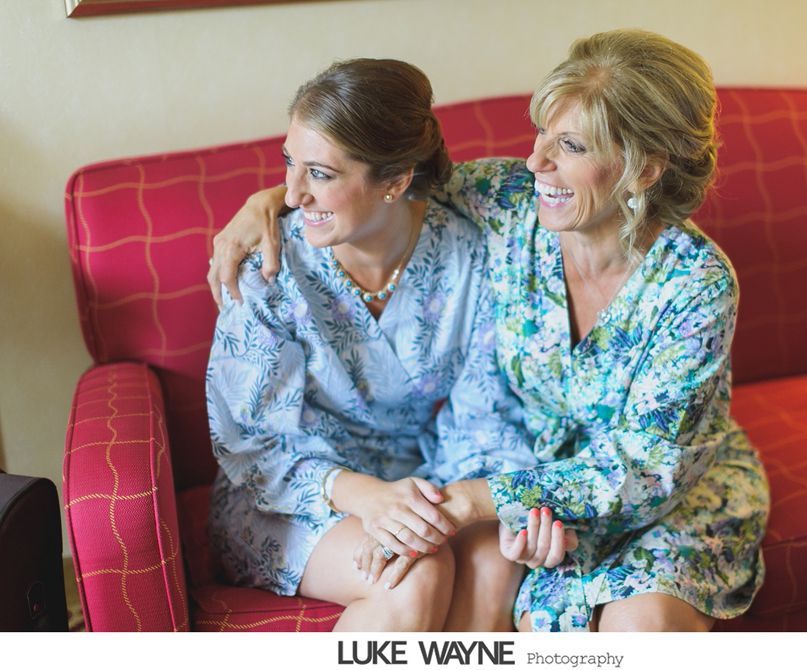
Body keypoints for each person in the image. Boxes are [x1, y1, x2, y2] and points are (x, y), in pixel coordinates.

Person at [209, 29, 769, 632]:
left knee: (642, 631)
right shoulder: (507, 201)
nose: (536, 162)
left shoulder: (695, 284)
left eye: (571, 146)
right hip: (526, 481)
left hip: (648, 490)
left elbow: (646, 467)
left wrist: (479, 501)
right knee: (510, 605)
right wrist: (270, 202)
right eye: (541, 135)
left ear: (644, 171)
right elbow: (381, 188)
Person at [205, 58, 578, 633]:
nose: (292, 193)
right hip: (289, 494)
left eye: (321, 174)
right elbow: (251, 443)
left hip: (426, 477)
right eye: (288, 163)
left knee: (493, 561)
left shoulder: (468, 251)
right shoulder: (267, 267)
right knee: (416, 573)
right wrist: (368, 499)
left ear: (397, 181)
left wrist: (442, 506)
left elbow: (484, 411)